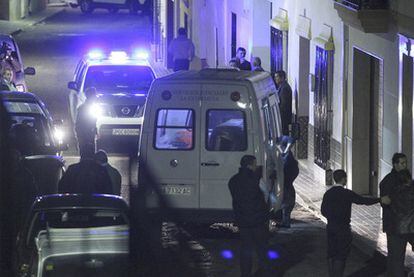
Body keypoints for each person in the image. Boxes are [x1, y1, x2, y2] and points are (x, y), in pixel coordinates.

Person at [321, 169, 390, 277]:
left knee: (332, 253)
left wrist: (332, 217)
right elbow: (362, 201)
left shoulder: (328, 194)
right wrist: (379, 199)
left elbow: (323, 211)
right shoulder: (346, 193)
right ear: (344, 179)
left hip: (331, 227)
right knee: (341, 255)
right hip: (343, 228)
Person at [228, 155, 271, 277]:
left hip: (242, 221)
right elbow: (266, 194)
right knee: (261, 249)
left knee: (246, 249)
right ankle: (264, 273)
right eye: (254, 164)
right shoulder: (257, 179)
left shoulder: (233, 180)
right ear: (250, 165)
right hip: (257, 221)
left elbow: (235, 197)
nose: (256, 166)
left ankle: (245, 273)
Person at [380, 153, 410, 277]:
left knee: (394, 256)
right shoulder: (391, 181)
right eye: (402, 163)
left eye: (405, 163)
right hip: (398, 225)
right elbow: (386, 202)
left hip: (398, 224)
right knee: (397, 257)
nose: (405, 165)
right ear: (395, 164)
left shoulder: (400, 179)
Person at [278, 136, 299, 228]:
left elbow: (291, 139)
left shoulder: (281, 139)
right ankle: (285, 220)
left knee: (287, 198)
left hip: (288, 175)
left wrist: (286, 150)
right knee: (287, 197)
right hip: (287, 176)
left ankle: (286, 221)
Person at [75, 87, 97, 157]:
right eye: (94, 95)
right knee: (86, 152)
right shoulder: (83, 108)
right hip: (85, 134)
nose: (96, 97)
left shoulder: (91, 107)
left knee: (89, 152)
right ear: (91, 96)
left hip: (88, 133)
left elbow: (93, 121)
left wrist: (95, 130)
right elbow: (80, 123)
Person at [274, 70, 292, 135]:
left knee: (284, 133)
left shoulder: (284, 88)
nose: (275, 79)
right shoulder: (282, 86)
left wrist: (278, 114)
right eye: (275, 77)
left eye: (277, 77)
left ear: (282, 77)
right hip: (283, 116)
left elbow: (284, 104)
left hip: (283, 117)